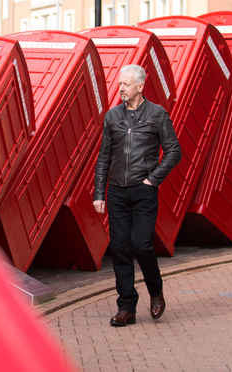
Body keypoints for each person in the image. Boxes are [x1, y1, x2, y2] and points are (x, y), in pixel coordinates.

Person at [93, 64, 181, 327]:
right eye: (119, 84)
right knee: (120, 248)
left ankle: (156, 291)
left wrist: (152, 179)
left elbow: (174, 151)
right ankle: (126, 307)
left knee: (141, 244)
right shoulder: (112, 117)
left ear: (140, 87)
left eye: (126, 84)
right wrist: (99, 192)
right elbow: (104, 157)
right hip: (117, 191)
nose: (121, 88)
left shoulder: (157, 115)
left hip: (143, 191)